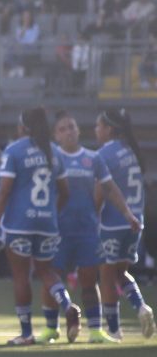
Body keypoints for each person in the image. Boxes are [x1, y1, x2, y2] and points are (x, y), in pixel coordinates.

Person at [42, 111, 140, 344]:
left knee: (89, 281)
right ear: (56, 135)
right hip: (58, 231)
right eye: (63, 128)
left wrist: (128, 213)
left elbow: (110, 188)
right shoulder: (52, 159)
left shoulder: (93, 158)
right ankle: (50, 328)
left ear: (78, 130)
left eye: (72, 127)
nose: (69, 131)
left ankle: (95, 330)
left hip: (87, 231)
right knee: (52, 277)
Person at [0, 108, 78, 346]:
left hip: (19, 223)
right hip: (47, 223)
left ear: (23, 127)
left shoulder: (14, 150)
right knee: (46, 272)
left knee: (21, 277)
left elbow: (5, 190)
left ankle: (26, 332)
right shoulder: (54, 152)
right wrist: (50, 212)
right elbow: (65, 192)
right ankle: (68, 305)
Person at [94, 109, 154, 340]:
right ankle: (141, 307)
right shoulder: (132, 151)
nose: (96, 130)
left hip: (111, 222)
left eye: (99, 126)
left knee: (107, 276)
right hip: (135, 222)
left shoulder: (105, 154)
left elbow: (100, 192)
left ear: (109, 129)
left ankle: (114, 329)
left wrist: (91, 218)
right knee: (121, 272)